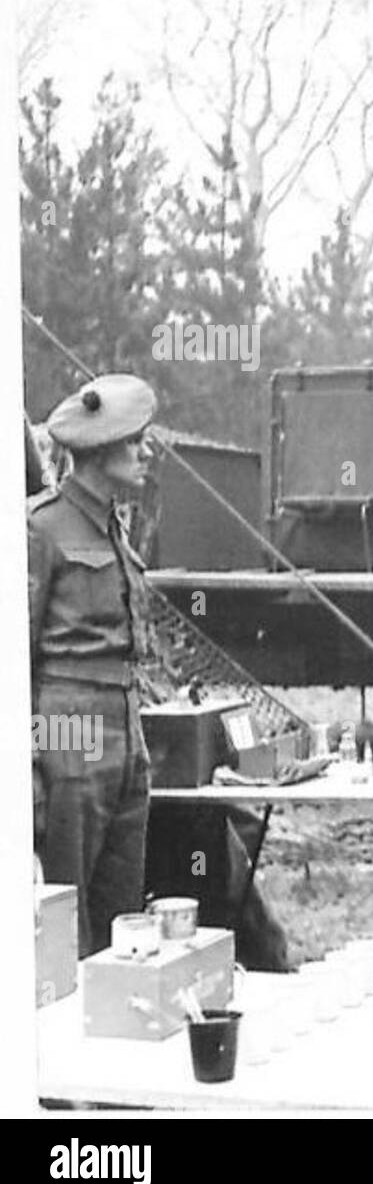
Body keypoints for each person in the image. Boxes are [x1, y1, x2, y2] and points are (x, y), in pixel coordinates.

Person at [29, 374, 157, 956]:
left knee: (122, 919)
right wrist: (28, 766)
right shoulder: (41, 528)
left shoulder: (115, 529)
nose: (145, 452)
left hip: (126, 729)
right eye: (135, 442)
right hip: (70, 728)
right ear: (100, 452)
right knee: (66, 914)